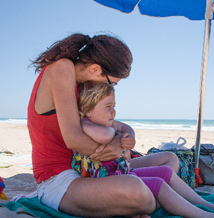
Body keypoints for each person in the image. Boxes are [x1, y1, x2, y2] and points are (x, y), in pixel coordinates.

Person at [27, 33, 178, 218]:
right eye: (111, 83)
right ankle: (146, 201)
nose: (110, 89)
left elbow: (114, 127)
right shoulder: (62, 68)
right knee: (139, 193)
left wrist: (119, 143)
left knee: (170, 159)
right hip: (58, 180)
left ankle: (138, 201)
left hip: (88, 166)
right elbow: (73, 138)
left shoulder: (79, 84)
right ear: (95, 69)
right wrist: (121, 152)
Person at [72, 80, 214, 218]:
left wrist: (129, 137)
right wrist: (117, 135)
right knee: (156, 185)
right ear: (87, 110)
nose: (113, 112)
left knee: (165, 173)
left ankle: (206, 205)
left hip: (120, 174)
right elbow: (106, 136)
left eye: (114, 106)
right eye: (108, 107)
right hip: (105, 183)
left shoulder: (103, 122)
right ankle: (203, 216)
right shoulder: (85, 125)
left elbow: (125, 127)